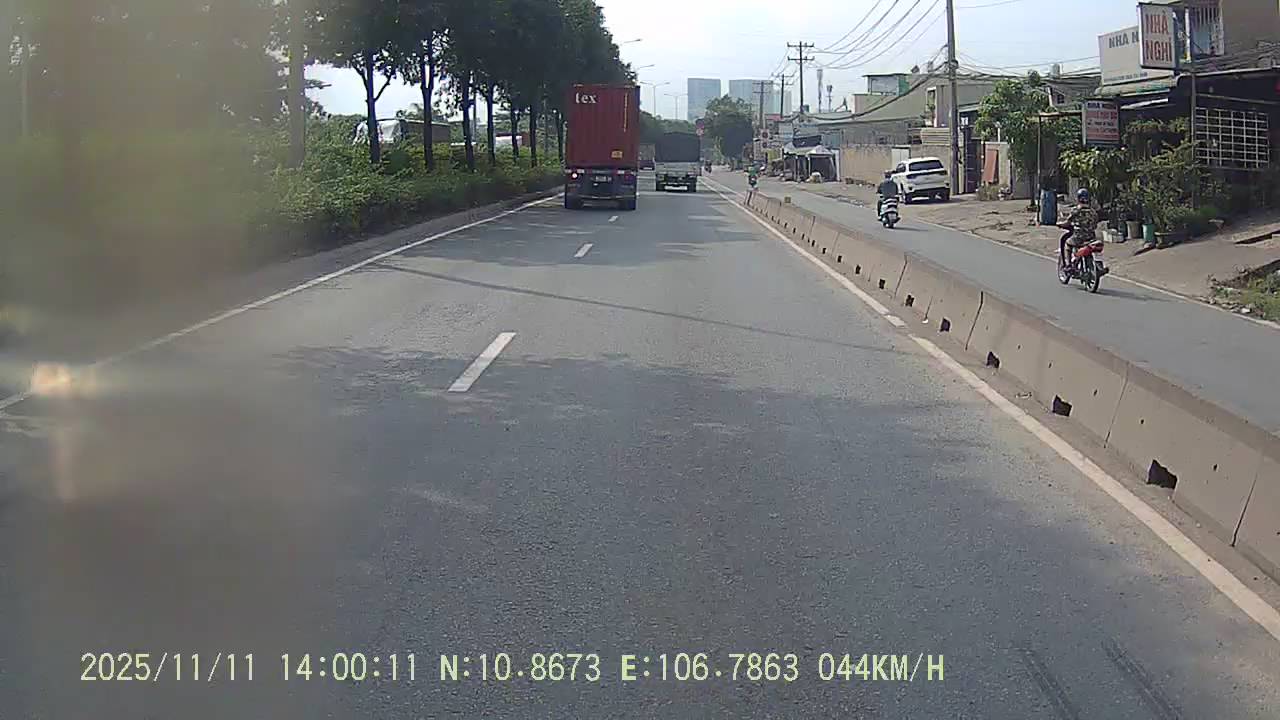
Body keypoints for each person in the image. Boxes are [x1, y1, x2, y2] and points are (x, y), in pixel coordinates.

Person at [1061, 188, 1100, 267]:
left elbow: (1068, 222)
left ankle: (1068, 264)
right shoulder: (1093, 212)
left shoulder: (1076, 210)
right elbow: (1095, 224)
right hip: (1091, 237)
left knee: (1068, 244)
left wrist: (1060, 224)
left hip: (1078, 237)